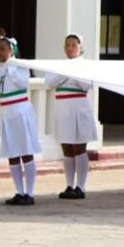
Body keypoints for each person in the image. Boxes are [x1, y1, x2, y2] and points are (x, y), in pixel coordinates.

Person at [0, 36, 42, 206]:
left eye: (3, 49)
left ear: (11, 51)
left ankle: (30, 193)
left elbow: (23, 82)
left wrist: (10, 68)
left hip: (21, 111)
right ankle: (19, 191)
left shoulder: (20, 66)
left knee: (25, 151)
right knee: (12, 153)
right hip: (7, 113)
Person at [46, 34, 97, 200]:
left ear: (80, 47)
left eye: (73, 45)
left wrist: (69, 72)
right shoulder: (59, 65)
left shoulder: (85, 65)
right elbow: (50, 81)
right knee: (67, 148)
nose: (69, 48)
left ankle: (81, 186)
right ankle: (69, 184)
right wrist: (68, 71)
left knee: (79, 147)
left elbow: (85, 84)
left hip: (78, 107)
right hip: (63, 108)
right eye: (67, 45)